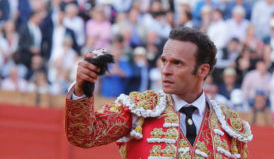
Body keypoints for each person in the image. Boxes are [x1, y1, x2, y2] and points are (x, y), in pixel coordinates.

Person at [65, 27, 252, 158]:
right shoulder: (140, 110)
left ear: (202, 70)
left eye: (177, 63)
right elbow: (84, 135)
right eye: (164, 61)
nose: (165, 70)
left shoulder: (228, 126)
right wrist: (82, 91)